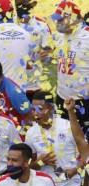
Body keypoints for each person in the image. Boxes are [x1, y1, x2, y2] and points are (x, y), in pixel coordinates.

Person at [52, 1, 89, 138]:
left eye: (61, 19)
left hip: (83, 102)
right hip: (62, 98)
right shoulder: (60, 38)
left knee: (84, 141)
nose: (57, 23)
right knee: (64, 139)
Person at [14, 0, 54, 100]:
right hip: (11, 83)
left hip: (33, 84)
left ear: (33, 4)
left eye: (24, 3)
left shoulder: (42, 26)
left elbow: (50, 52)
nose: (21, 6)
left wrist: (46, 54)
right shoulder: (9, 24)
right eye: (18, 3)